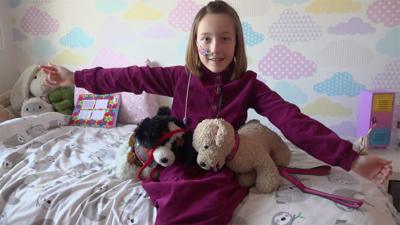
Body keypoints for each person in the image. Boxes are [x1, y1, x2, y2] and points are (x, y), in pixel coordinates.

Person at [41, 1, 392, 224]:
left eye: (225, 38)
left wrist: (349, 158)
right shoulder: (180, 77)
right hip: (179, 159)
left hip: (221, 161)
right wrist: (77, 78)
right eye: (207, 38)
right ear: (196, 42)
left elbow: (290, 118)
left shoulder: (249, 84)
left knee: (216, 193)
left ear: (237, 42)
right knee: (182, 189)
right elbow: (130, 76)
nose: (215, 47)